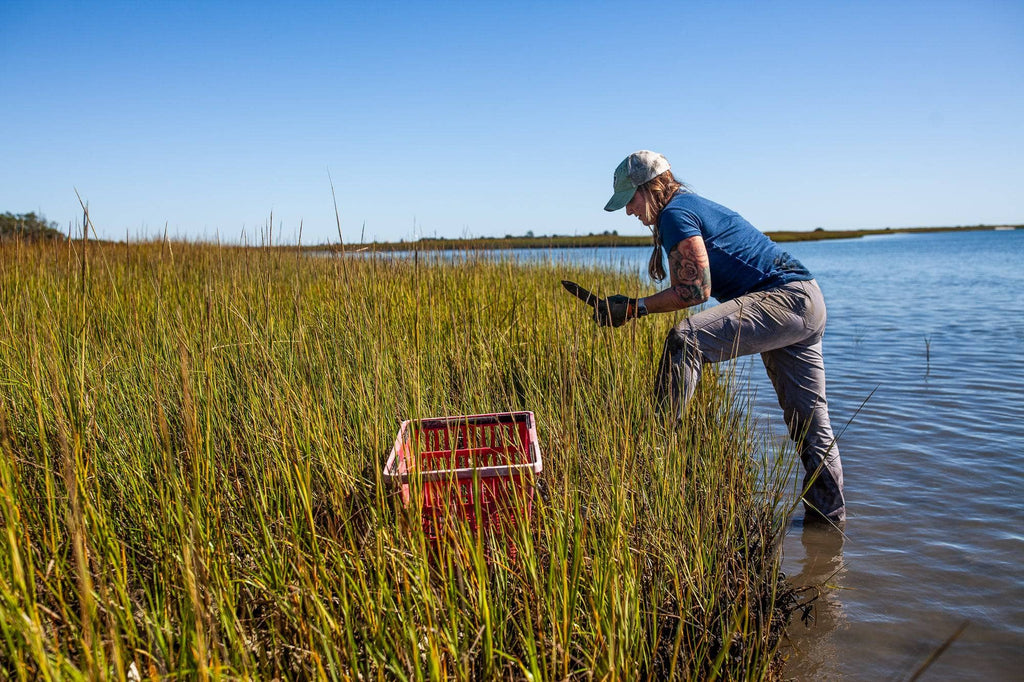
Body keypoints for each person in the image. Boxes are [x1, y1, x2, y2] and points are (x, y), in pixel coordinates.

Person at [597, 150, 845, 524]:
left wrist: (634, 308)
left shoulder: (676, 215)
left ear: (649, 188)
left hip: (786, 298)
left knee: (686, 340)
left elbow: (695, 290)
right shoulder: (687, 207)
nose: (630, 211)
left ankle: (654, 453)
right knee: (810, 424)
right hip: (808, 299)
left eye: (630, 200)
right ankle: (828, 524)